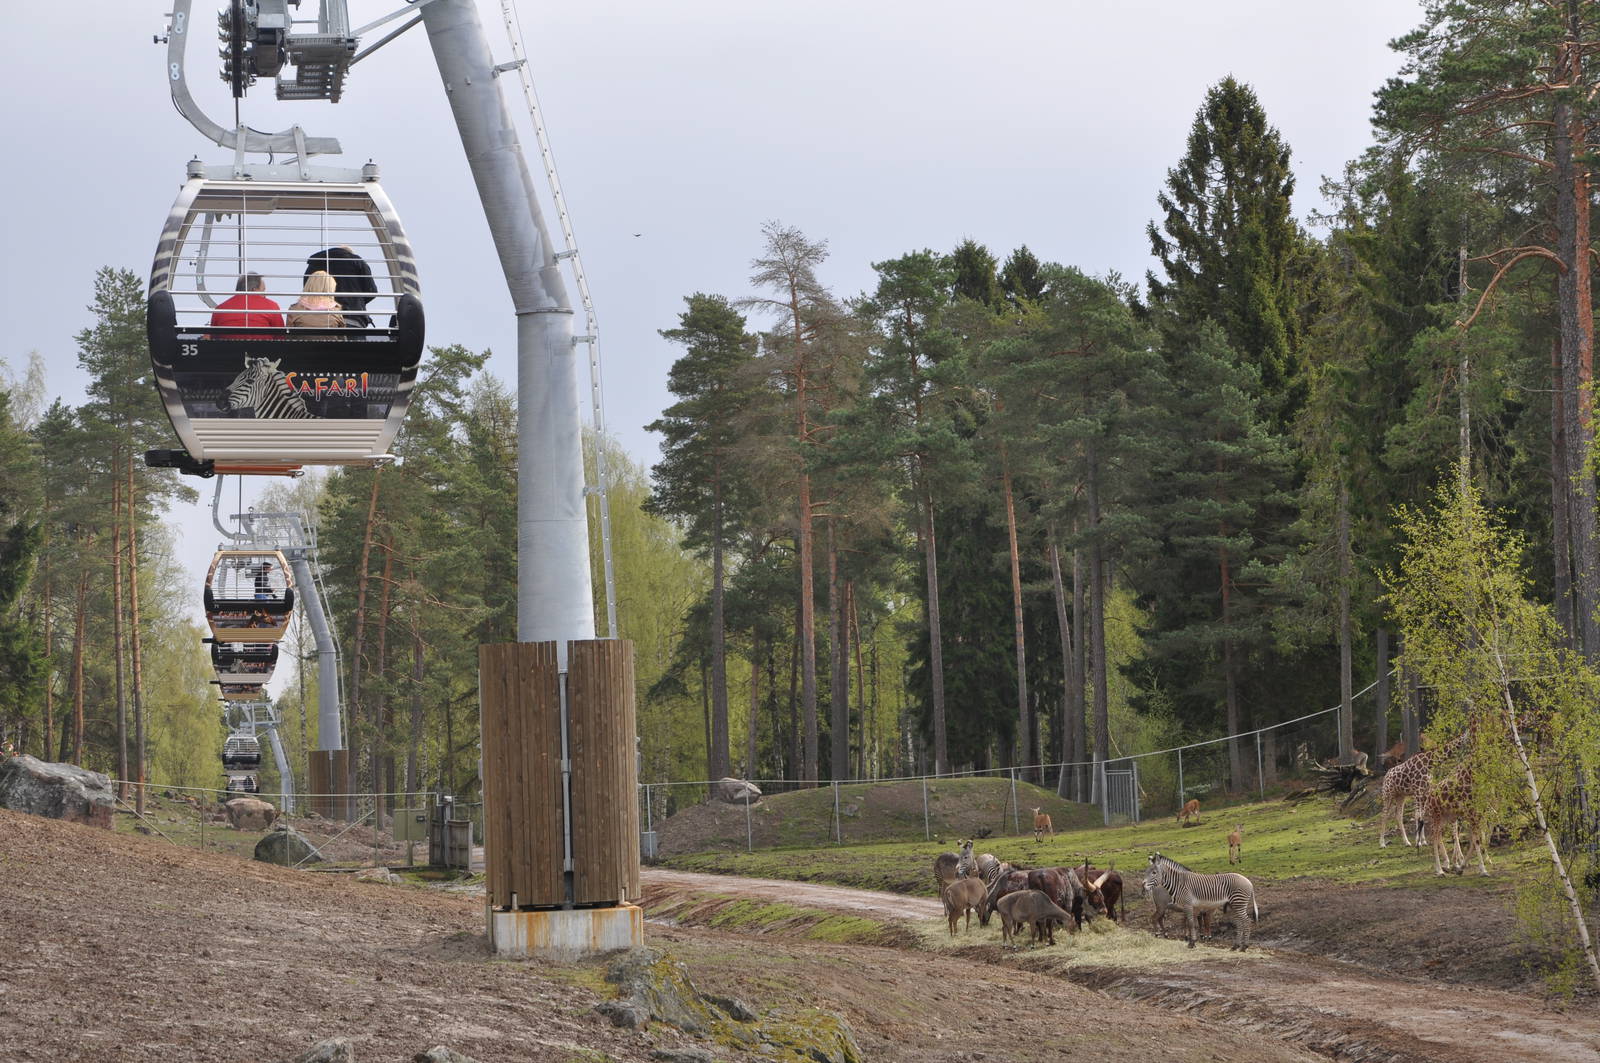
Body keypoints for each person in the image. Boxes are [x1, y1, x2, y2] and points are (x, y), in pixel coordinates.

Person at [305, 245, 377, 328]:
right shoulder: (358, 262)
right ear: (350, 254)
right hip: (352, 317)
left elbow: (308, 288)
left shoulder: (315, 263)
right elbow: (371, 291)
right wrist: (356, 301)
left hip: (321, 319)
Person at [209, 272, 284, 338]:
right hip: (263, 351)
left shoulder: (220, 309)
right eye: (263, 290)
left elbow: (213, 337)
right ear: (254, 289)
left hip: (228, 352)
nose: (265, 295)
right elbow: (280, 337)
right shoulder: (271, 306)